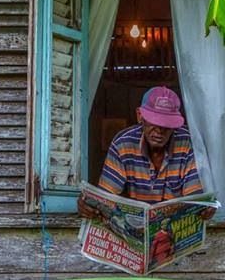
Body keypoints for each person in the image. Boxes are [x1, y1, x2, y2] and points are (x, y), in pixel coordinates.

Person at [77, 86, 211, 217]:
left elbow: (194, 199)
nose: (159, 130)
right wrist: (89, 205)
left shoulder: (188, 143)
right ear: (140, 116)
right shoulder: (123, 144)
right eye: (154, 122)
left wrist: (203, 208)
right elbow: (106, 197)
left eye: (166, 124)